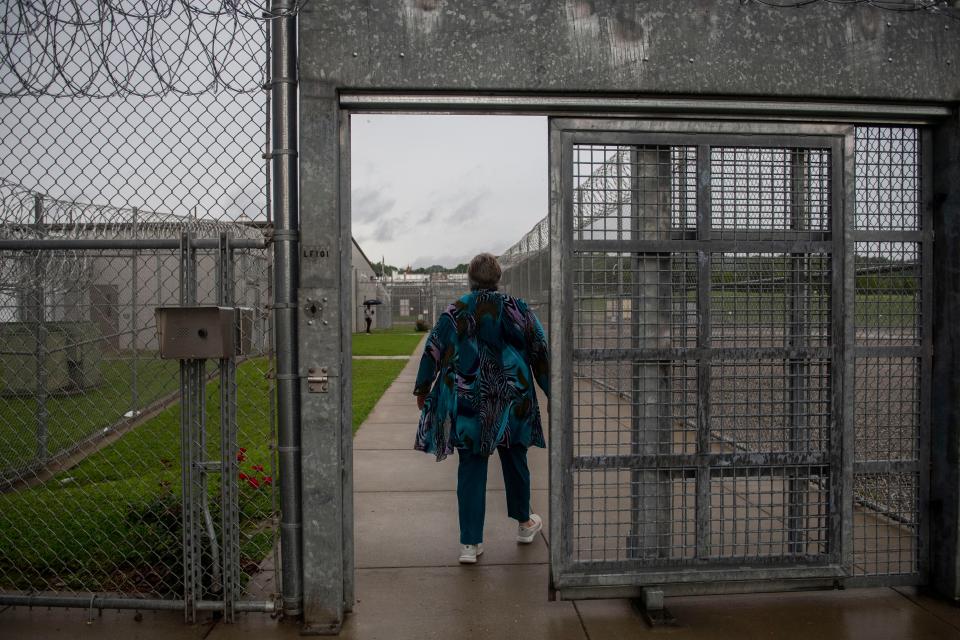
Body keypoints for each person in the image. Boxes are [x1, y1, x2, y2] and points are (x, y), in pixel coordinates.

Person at [413, 253, 550, 564]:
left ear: (470, 279)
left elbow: (433, 349)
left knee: (471, 466)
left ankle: (469, 544)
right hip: (512, 399)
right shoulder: (519, 309)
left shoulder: (455, 311)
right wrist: (551, 390)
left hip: (469, 400)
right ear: (498, 279)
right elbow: (539, 351)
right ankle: (524, 523)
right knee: (515, 459)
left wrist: (423, 388)